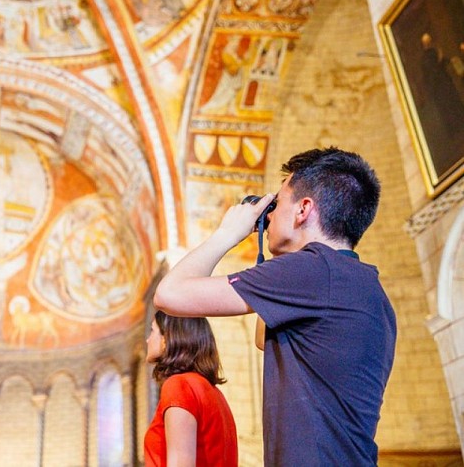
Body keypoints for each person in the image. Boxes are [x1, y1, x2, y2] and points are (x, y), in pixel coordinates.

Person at [154, 147, 396, 465]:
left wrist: (228, 233)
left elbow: (170, 294)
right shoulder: (366, 287)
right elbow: (262, 341)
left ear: (303, 210)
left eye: (278, 204)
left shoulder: (311, 271)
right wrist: (278, 252)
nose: (268, 217)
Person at [144, 310, 238, 467]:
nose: (147, 340)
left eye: (152, 330)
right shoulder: (214, 392)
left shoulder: (179, 386)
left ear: (166, 339)